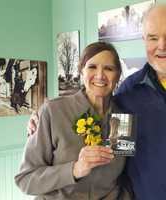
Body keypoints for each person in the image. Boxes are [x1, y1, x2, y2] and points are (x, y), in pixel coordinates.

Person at [15, 42, 132, 199]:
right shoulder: (53, 111)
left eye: (109, 68)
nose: (100, 75)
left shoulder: (123, 118)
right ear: (81, 71)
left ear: (117, 75)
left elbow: (123, 176)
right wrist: (75, 169)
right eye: (92, 67)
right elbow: (25, 179)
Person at [114, 4, 166, 200]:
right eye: (153, 37)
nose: (162, 45)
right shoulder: (128, 92)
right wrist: (47, 120)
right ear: (144, 40)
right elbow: (117, 154)